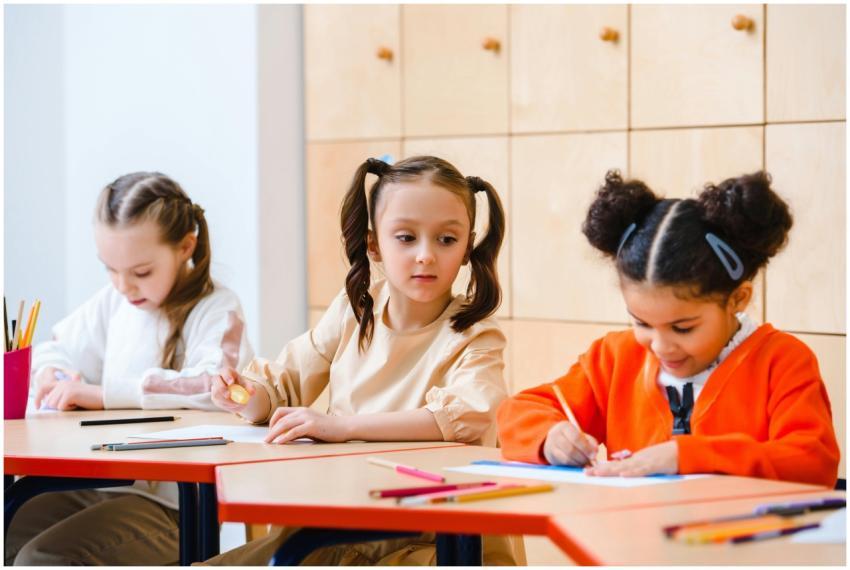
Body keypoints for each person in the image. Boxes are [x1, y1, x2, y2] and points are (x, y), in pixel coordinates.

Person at [208, 156, 523, 565]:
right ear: (374, 243)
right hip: (337, 523)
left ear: (467, 248)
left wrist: (342, 427)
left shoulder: (475, 335)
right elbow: (283, 383)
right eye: (406, 237)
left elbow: (465, 415)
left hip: (429, 541)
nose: (426, 255)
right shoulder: (356, 310)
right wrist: (244, 396)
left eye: (446, 240)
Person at [498, 170, 839, 488]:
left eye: (683, 328)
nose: (660, 346)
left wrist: (686, 456)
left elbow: (813, 461)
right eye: (642, 323)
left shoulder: (781, 361)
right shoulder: (615, 358)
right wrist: (551, 436)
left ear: (738, 299)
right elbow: (518, 412)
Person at [7, 172, 254, 565]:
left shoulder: (217, 309)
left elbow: (215, 387)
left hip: (176, 504)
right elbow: (55, 348)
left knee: (45, 558)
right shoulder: (115, 302)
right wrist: (52, 374)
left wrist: (102, 394)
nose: (123, 286)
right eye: (109, 269)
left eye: (141, 272)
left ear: (185, 247)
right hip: (101, 482)